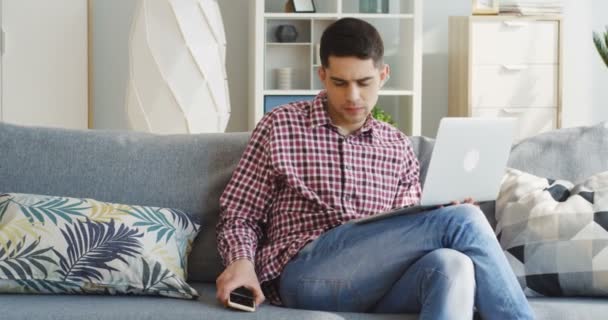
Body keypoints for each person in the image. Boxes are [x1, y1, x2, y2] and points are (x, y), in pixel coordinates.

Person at [215, 17, 534, 319]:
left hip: (382, 280)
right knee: (465, 220)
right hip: (306, 272)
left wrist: (436, 215)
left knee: (452, 265)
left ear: (383, 75)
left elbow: (407, 230)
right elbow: (240, 213)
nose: (352, 96)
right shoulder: (280, 125)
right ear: (322, 75)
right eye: (340, 83)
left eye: (364, 82)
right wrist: (241, 263)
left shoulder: (396, 145)